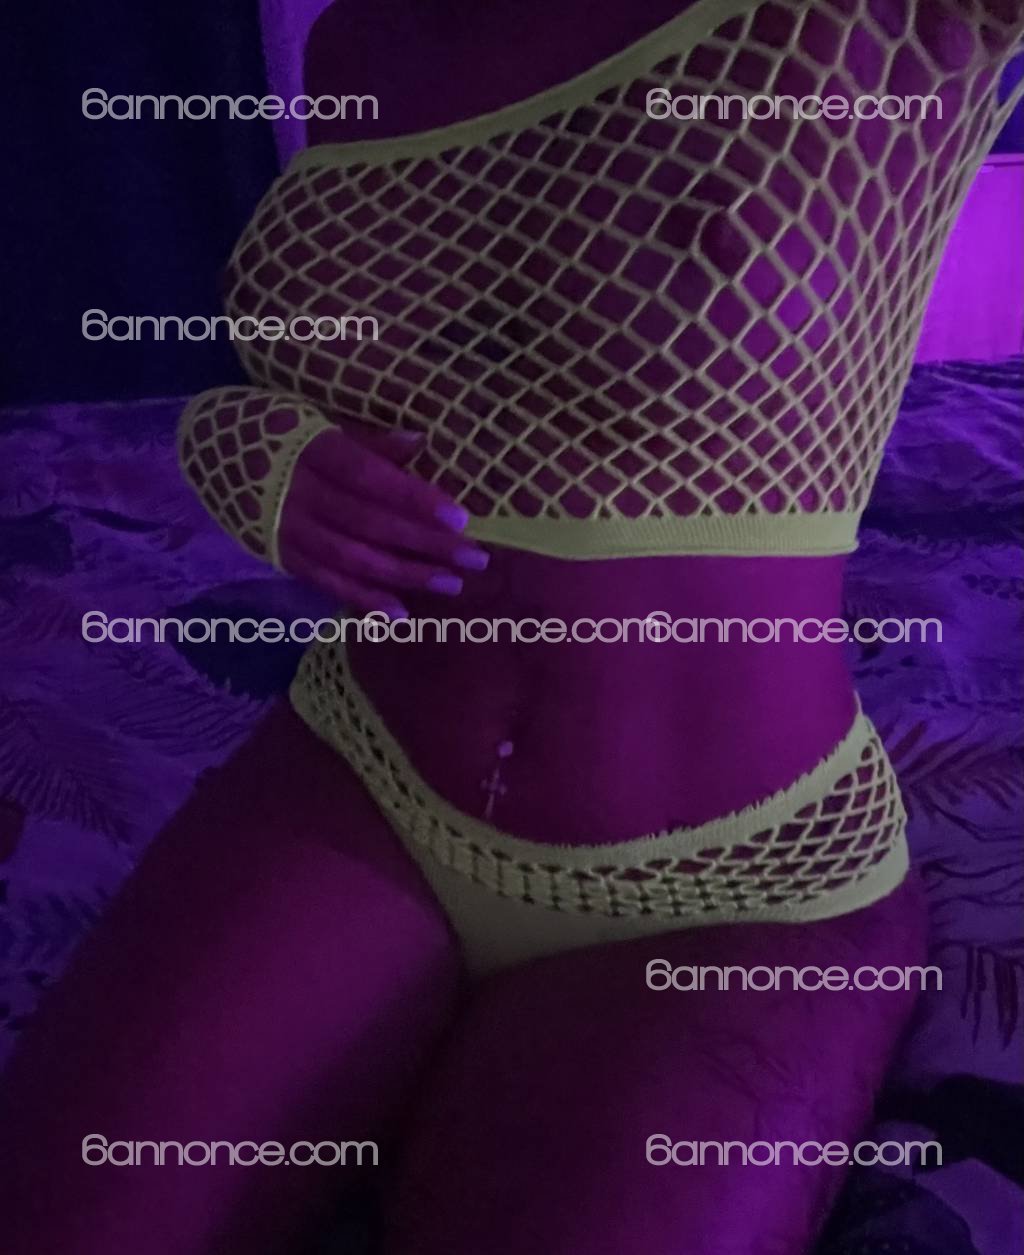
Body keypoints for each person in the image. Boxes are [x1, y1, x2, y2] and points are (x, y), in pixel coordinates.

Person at [3, 2, 1022, 1251]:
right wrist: (253, 444)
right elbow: (414, 368)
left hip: (738, 876)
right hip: (363, 770)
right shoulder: (357, 41)